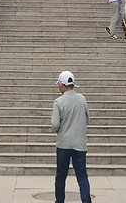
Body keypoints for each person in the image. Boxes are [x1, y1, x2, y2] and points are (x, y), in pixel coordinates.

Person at [51, 70, 91, 203]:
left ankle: (60, 200)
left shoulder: (58, 102)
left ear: (62, 84)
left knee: (61, 176)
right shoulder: (82, 99)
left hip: (63, 144)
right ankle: (86, 200)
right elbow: (88, 119)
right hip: (80, 144)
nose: (58, 86)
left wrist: (59, 129)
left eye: (59, 84)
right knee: (82, 176)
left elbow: (55, 124)